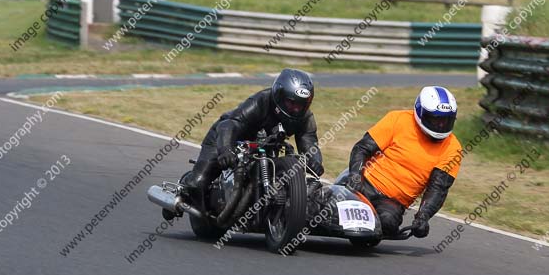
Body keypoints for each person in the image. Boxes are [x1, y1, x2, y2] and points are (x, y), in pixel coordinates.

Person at [179, 69, 324, 212]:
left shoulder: (305, 117)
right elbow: (229, 125)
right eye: (291, 103)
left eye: (301, 105)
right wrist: (225, 150)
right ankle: (181, 191)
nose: (296, 109)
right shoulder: (260, 102)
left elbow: (309, 141)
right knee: (198, 182)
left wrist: (315, 161)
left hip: (265, 148)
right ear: (279, 96)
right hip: (226, 138)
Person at [343, 86, 463, 238]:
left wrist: (423, 217)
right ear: (420, 112)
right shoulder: (398, 119)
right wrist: (355, 175)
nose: (440, 125)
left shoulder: (453, 149)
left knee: (386, 224)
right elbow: (362, 148)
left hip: (392, 203)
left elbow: (438, 189)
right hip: (362, 183)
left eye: (445, 120)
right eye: (435, 119)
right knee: (326, 205)